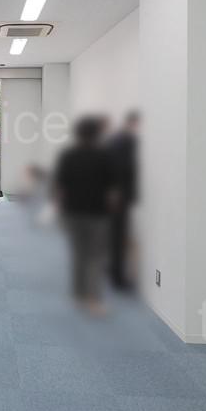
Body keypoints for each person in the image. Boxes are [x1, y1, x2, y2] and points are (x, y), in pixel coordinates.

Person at [54, 117, 118, 314]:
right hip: (97, 213)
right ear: (97, 134)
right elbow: (112, 190)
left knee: (79, 254)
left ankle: (78, 294)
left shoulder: (68, 156)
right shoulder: (104, 156)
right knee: (95, 257)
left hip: (73, 212)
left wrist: (60, 211)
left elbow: (60, 187)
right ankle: (92, 299)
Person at [107, 110, 140, 291]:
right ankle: (117, 276)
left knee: (115, 235)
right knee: (118, 236)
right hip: (119, 197)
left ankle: (113, 272)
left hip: (115, 196)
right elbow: (122, 169)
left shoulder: (116, 140)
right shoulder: (125, 141)